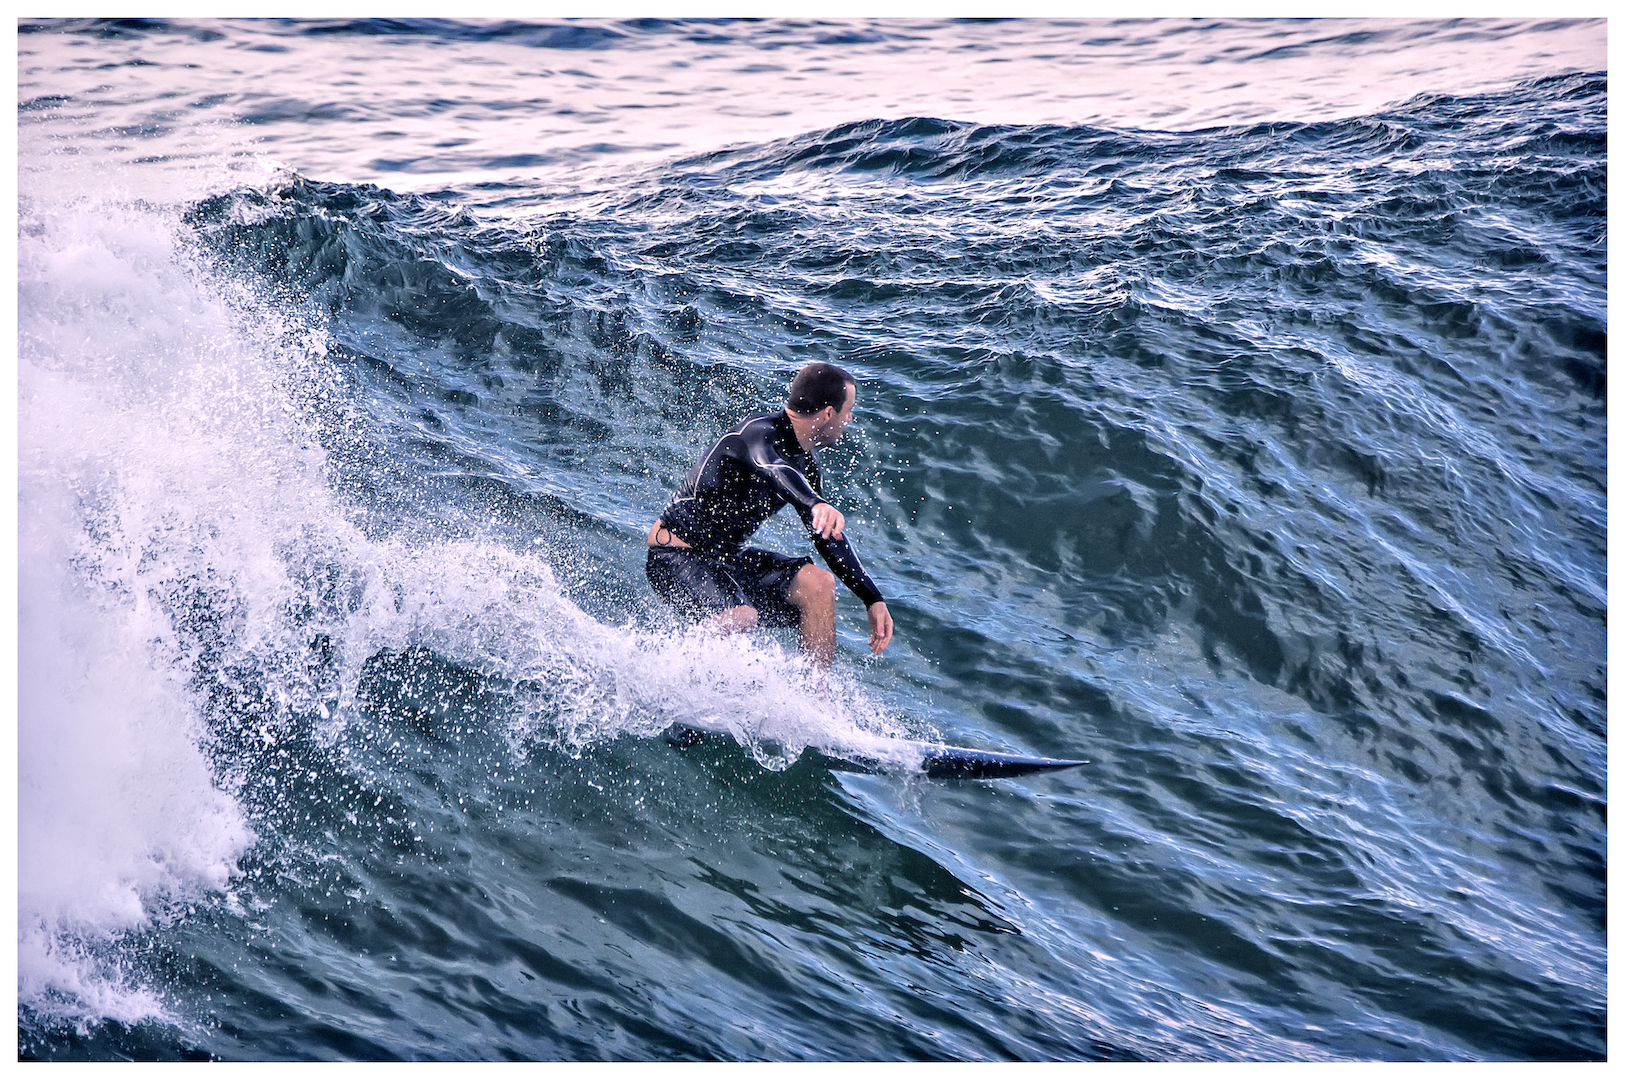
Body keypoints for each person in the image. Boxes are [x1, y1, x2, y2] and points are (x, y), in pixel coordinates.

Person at [645, 361, 894, 667]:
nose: (849, 419)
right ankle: (663, 670)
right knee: (741, 615)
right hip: (675, 557)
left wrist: (872, 597)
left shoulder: (806, 464)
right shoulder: (758, 434)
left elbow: (826, 536)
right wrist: (813, 502)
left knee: (818, 586)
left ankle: (813, 702)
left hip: (726, 562)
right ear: (828, 413)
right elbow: (773, 467)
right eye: (847, 411)